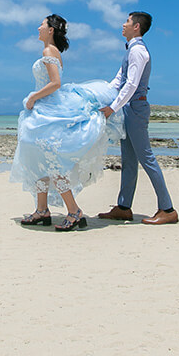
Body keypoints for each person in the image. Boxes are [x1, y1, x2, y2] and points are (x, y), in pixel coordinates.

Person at [10, 14, 123, 232]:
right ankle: (42, 210)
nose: (38, 27)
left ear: (51, 30)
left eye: (42, 25)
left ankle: (74, 211)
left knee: (53, 161)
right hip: (46, 111)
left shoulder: (48, 51)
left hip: (49, 110)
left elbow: (55, 83)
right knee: (39, 159)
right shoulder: (52, 51)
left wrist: (33, 97)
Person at [97, 11, 178, 225]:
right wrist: (97, 95)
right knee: (129, 160)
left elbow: (131, 84)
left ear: (136, 27)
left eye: (127, 21)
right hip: (129, 108)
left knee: (147, 158)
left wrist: (112, 108)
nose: (123, 24)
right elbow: (118, 80)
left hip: (136, 107)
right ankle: (124, 207)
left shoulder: (139, 51)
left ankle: (167, 209)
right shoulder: (131, 50)